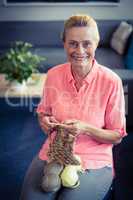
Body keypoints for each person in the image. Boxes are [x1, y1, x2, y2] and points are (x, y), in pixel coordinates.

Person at [20, 14, 127, 200]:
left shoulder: (111, 81)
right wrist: (44, 120)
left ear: (96, 43)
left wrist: (85, 128)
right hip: (55, 152)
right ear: (64, 44)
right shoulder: (53, 75)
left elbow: (117, 135)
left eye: (86, 43)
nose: (80, 50)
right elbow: (43, 112)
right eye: (73, 43)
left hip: (94, 159)